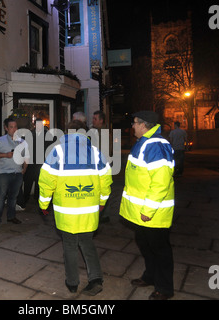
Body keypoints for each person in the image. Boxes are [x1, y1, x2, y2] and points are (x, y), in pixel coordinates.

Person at [38, 120, 113, 296]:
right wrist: (102, 202)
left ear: (67, 133)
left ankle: (72, 282)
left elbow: (46, 181)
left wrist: (43, 204)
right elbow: (106, 181)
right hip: (89, 210)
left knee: (69, 246)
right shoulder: (95, 153)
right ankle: (95, 278)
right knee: (87, 243)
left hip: (66, 211)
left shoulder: (57, 152)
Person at [119, 110, 175, 300]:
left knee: (160, 250)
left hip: (153, 213)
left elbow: (160, 182)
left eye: (135, 123)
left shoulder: (156, 146)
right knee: (145, 245)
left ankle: (165, 288)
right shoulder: (144, 143)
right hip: (141, 212)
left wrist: (148, 210)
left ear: (144, 125)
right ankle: (150, 276)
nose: (132, 126)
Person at [0, 117, 29, 228]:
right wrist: (5, 155)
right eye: (11, 127)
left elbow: (26, 156)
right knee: (1, 196)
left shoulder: (22, 141)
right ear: (6, 128)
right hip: (3, 172)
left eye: (15, 127)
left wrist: (24, 169)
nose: (14, 129)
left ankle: (11, 217)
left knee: (13, 197)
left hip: (17, 173)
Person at [17, 118, 50, 209]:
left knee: (40, 182)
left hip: (41, 162)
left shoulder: (47, 135)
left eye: (41, 124)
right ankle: (25, 199)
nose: (40, 126)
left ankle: (38, 199)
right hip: (31, 162)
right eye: (38, 124)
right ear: (35, 125)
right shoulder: (29, 134)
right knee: (28, 182)